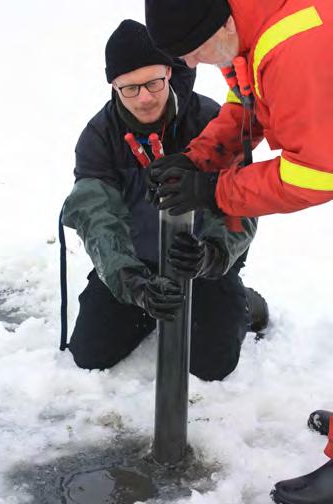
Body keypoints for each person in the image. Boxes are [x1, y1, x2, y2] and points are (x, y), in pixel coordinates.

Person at [144, 0, 333, 502]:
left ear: (220, 25)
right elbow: (247, 109)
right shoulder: (243, 31)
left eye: (191, 52)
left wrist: (215, 193)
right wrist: (197, 159)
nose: (187, 66)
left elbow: (313, 174)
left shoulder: (295, 47)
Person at [61, 19, 267, 384]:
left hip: (201, 264)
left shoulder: (212, 120)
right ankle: (146, 309)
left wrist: (213, 254)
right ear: (114, 86)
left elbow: (243, 203)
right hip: (136, 263)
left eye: (154, 82)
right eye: (130, 88)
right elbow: (98, 220)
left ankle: (245, 302)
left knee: (212, 366)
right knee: (91, 354)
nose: (145, 97)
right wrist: (132, 283)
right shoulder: (98, 138)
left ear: (169, 74)